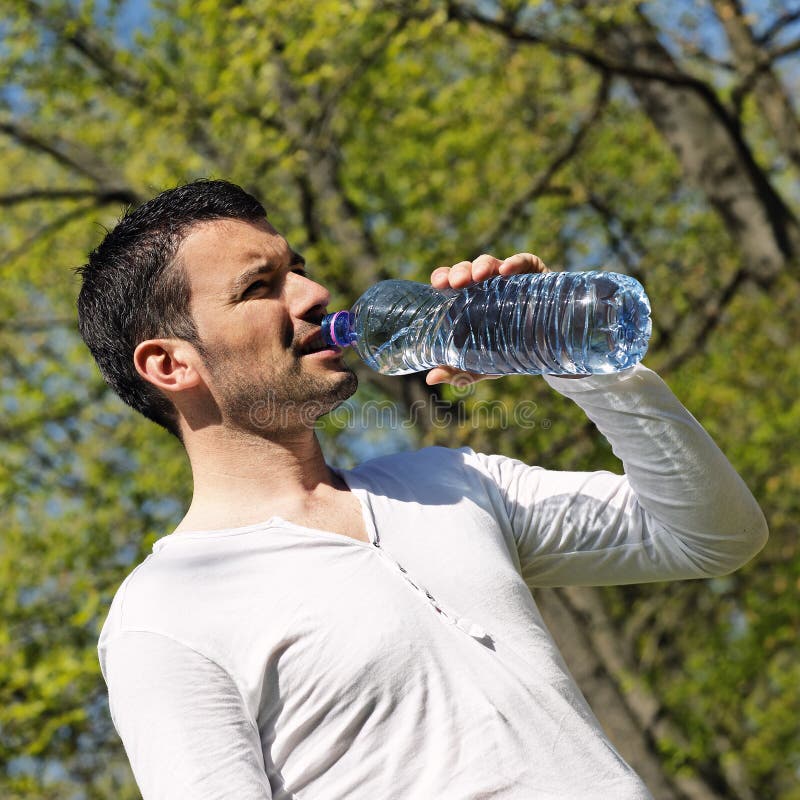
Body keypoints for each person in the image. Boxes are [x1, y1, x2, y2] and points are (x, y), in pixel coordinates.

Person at [77, 179, 767, 800]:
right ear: (169, 363)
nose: (314, 295)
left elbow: (713, 535)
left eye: (301, 270)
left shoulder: (447, 482)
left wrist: (572, 355)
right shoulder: (165, 612)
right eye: (260, 286)